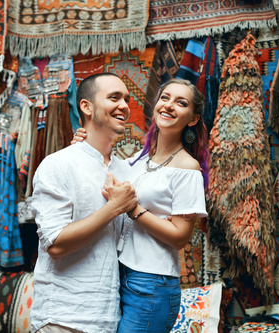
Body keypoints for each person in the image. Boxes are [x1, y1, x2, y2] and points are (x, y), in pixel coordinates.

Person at [74, 78, 209, 333]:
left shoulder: (188, 168)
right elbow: (106, 175)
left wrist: (134, 209)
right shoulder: (140, 159)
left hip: (152, 284)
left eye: (181, 103)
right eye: (165, 98)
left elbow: (180, 236)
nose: (169, 105)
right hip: (122, 274)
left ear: (192, 119)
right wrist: (84, 144)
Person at [30, 72, 138, 333]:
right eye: (114, 97)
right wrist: (113, 208)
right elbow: (54, 243)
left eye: (126, 99)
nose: (124, 105)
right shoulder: (59, 165)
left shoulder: (127, 171)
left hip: (109, 318)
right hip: (63, 319)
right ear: (86, 107)